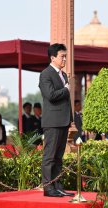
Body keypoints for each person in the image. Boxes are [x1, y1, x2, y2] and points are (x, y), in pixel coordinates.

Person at [38, 43, 74, 197]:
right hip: (52, 121)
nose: (65, 59)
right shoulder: (46, 74)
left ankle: (57, 185)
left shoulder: (63, 74)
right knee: (50, 156)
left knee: (59, 156)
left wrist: (71, 119)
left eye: (65, 56)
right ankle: (48, 187)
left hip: (63, 120)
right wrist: (65, 89)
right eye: (62, 56)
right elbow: (50, 95)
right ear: (53, 58)